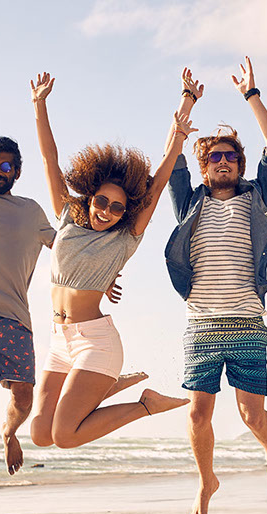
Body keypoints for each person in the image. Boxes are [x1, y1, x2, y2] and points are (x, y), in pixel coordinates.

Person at [0, 89, 146, 477]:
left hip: (14, 320)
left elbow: (75, 252)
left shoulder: (32, 211)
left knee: (24, 399)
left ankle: (8, 433)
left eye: (7, 168)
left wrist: (101, 280)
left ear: (17, 173)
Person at [27, 72, 192, 450]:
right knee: (40, 434)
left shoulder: (124, 239)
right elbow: (48, 158)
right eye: (101, 201)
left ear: (126, 212)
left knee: (64, 436)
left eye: (117, 207)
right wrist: (39, 104)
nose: (107, 211)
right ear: (89, 196)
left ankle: (145, 405)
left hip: (95, 343)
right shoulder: (67, 216)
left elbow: (159, 180)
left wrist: (181, 121)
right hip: (59, 340)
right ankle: (106, 387)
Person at [166, 62, 267, 514]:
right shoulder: (189, 202)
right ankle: (206, 481)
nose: (223, 162)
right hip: (200, 324)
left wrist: (253, 95)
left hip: (246, 322)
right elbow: (171, 155)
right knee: (199, 413)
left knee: (250, 416)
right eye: (214, 158)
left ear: (239, 165)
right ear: (205, 167)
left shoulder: (258, 197)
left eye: (230, 157)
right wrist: (186, 101)